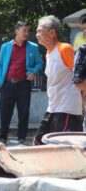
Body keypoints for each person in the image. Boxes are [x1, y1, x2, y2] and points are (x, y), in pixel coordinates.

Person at [33, 15, 83, 144]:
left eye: (39, 30)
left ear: (52, 33)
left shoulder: (64, 49)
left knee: (63, 146)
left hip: (68, 107)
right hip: (53, 106)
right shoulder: (48, 53)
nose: (36, 33)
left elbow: (81, 75)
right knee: (39, 142)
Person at [0, 21, 43, 145]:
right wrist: (0, 80)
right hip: (7, 84)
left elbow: (39, 63)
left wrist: (33, 72)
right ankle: (3, 137)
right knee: (5, 112)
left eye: (28, 31)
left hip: (23, 84)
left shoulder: (33, 47)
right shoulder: (6, 47)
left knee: (24, 112)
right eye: (24, 30)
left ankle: (21, 137)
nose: (27, 33)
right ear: (16, 31)